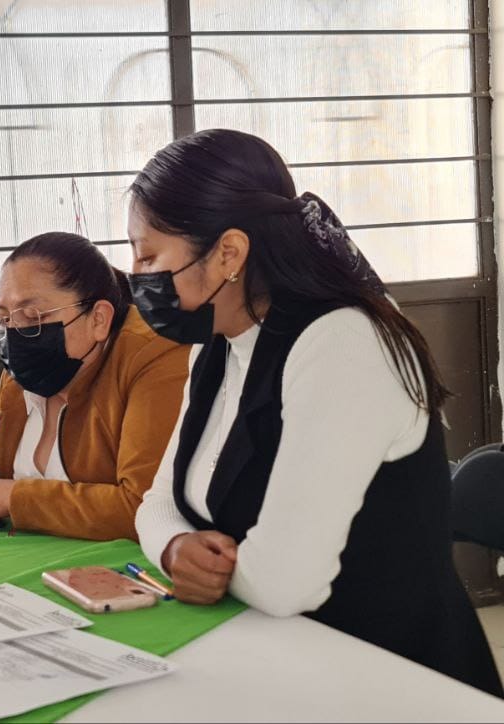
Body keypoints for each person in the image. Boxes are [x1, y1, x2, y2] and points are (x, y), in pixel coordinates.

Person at [130, 128, 502, 697]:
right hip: (280, 662)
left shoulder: (343, 343)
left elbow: (285, 584)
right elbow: (158, 501)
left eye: (149, 253)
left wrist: (206, 564)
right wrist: (177, 547)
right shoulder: (216, 347)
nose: (137, 274)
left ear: (228, 253)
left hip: (392, 681)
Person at [0, 232, 188, 540]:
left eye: (31, 317)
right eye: (3, 319)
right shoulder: (24, 372)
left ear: (99, 319)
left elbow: (142, 507)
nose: (15, 334)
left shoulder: (154, 357)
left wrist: (9, 497)